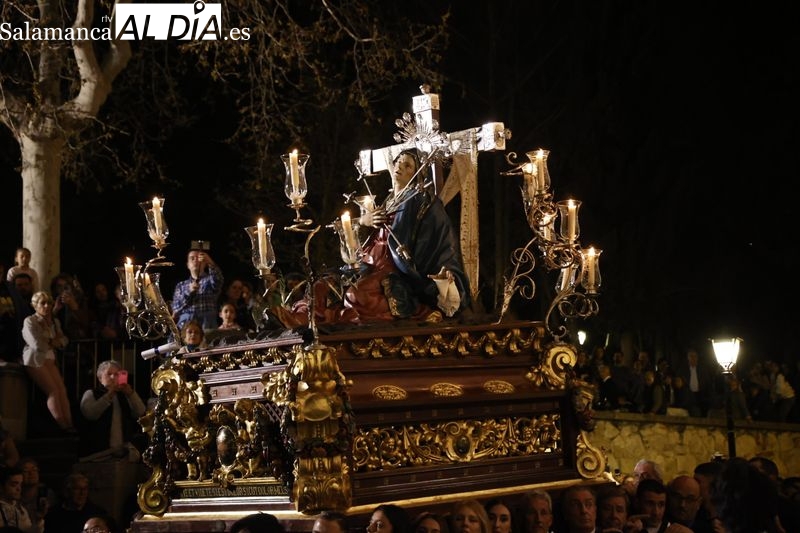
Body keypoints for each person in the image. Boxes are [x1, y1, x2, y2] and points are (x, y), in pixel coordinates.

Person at [282, 149, 470, 326]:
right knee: (322, 285)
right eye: (399, 162)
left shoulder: (420, 204)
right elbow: (358, 237)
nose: (400, 167)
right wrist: (366, 220)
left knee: (358, 293)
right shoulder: (387, 203)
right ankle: (298, 319)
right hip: (364, 264)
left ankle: (330, 321)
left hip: (390, 270)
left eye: (408, 166)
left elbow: (434, 239)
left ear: (416, 175)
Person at [20, 291, 74, 432]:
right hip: (35, 360)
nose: (46, 306)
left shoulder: (54, 322)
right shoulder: (30, 321)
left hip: (49, 359)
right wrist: (53, 341)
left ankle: (69, 424)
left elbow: (64, 340)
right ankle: (63, 426)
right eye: (42, 303)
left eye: (49, 303)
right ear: (35, 305)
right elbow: (36, 344)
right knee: (53, 391)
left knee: (62, 390)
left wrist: (54, 342)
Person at [79, 359, 147, 459]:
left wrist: (131, 394)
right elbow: (90, 413)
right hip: (99, 452)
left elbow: (141, 412)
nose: (113, 377)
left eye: (116, 374)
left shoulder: (125, 395)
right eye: (109, 374)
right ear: (100, 378)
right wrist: (109, 395)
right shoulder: (91, 393)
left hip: (125, 453)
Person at [171, 247, 224, 332]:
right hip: (186, 326)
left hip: (207, 325)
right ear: (187, 264)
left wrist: (210, 262)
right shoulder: (181, 285)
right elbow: (176, 308)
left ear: (204, 263)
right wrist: (189, 291)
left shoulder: (210, 280)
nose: (195, 260)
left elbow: (218, 280)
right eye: (192, 258)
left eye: (198, 258)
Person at [0, 465, 42, 533]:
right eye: (13, 485)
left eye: (20, 484)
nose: (19, 489)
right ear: (1, 487)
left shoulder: (20, 510)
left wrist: (38, 520)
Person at [16, 459, 54, 531]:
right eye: (26, 471)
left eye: (34, 469)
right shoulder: (14, 495)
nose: (31, 473)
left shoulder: (47, 494)